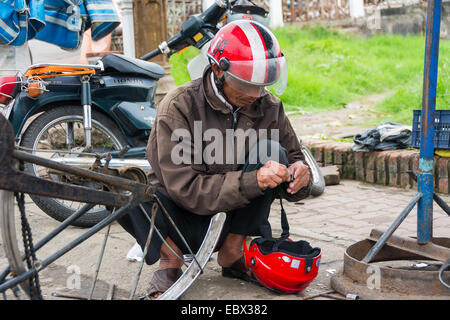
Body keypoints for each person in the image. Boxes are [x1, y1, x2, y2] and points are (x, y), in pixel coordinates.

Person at [118, 20, 312, 298]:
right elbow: (186, 190)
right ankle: (170, 258)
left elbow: (295, 160)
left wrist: (300, 174)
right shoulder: (178, 106)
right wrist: (253, 180)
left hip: (234, 219)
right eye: (246, 84)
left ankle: (233, 253)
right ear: (219, 70)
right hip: (180, 219)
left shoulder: (269, 106)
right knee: (124, 188)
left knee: (273, 151)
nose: (255, 94)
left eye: (261, 85)